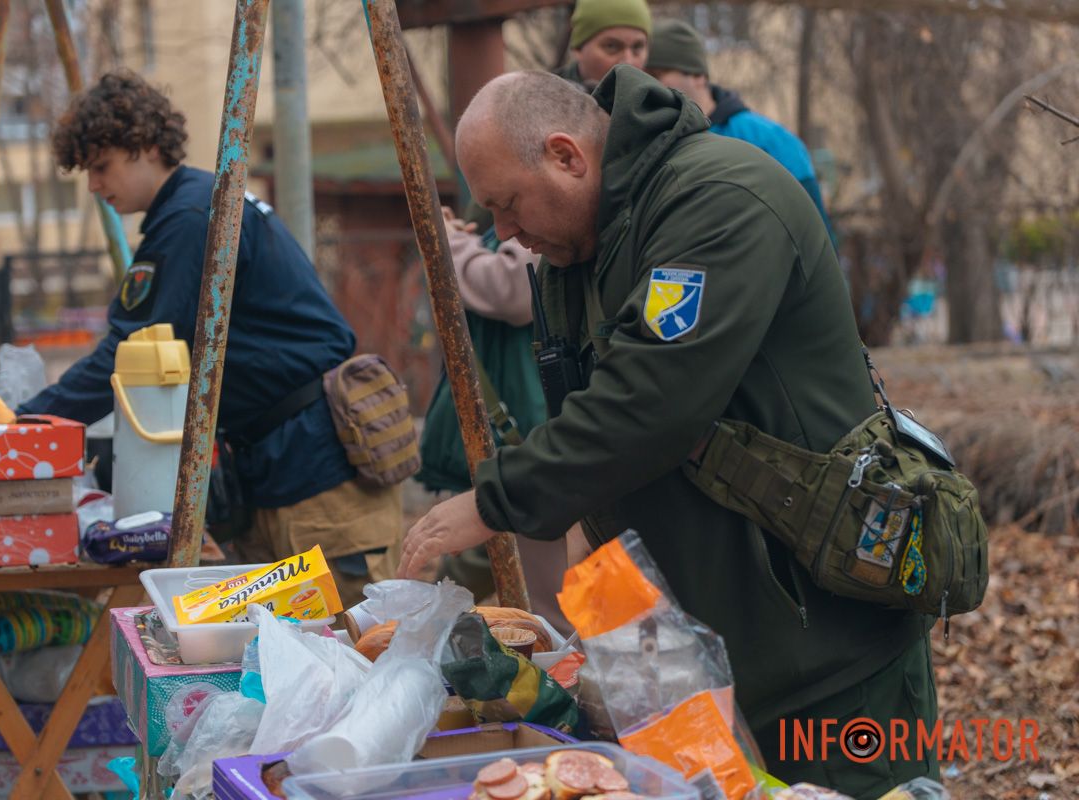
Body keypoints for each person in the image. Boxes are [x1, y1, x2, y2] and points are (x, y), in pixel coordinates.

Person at [398, 68, 937, 798]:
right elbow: (586, 427)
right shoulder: (578, 248)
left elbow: (650, 403)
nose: (504, 233)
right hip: (702, 663)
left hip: (829, 659)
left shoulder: (719, 199)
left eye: (507, 204)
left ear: (566, 155)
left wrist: (491, 501)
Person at [18, 70, 402, 607]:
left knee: (348, 651)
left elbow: (131, 354)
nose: (93, 186)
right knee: (288, 659)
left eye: (100, 167)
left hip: (315, 479)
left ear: (146, 146)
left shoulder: (191, 218)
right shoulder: (198, 205)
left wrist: (24, 430)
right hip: (285, 465)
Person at [416, 209, 572, 633]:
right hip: (510, 434)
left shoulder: (547, 224)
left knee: (552, 605)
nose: (505, 227)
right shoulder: (515, 222)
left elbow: (511, 288)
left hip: (526, 434)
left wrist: (451, 242)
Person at [645, 19, 834, 239]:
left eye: (656, 76)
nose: (647, 86)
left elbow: (816, 236)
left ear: (697, 75)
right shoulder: (648, 145)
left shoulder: (771, 140)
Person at [556, 0, 652, 90]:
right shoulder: (547, 97)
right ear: (578, 49)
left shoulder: (656, 102)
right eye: (611, 46)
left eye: (637, 47)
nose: (628, 62)